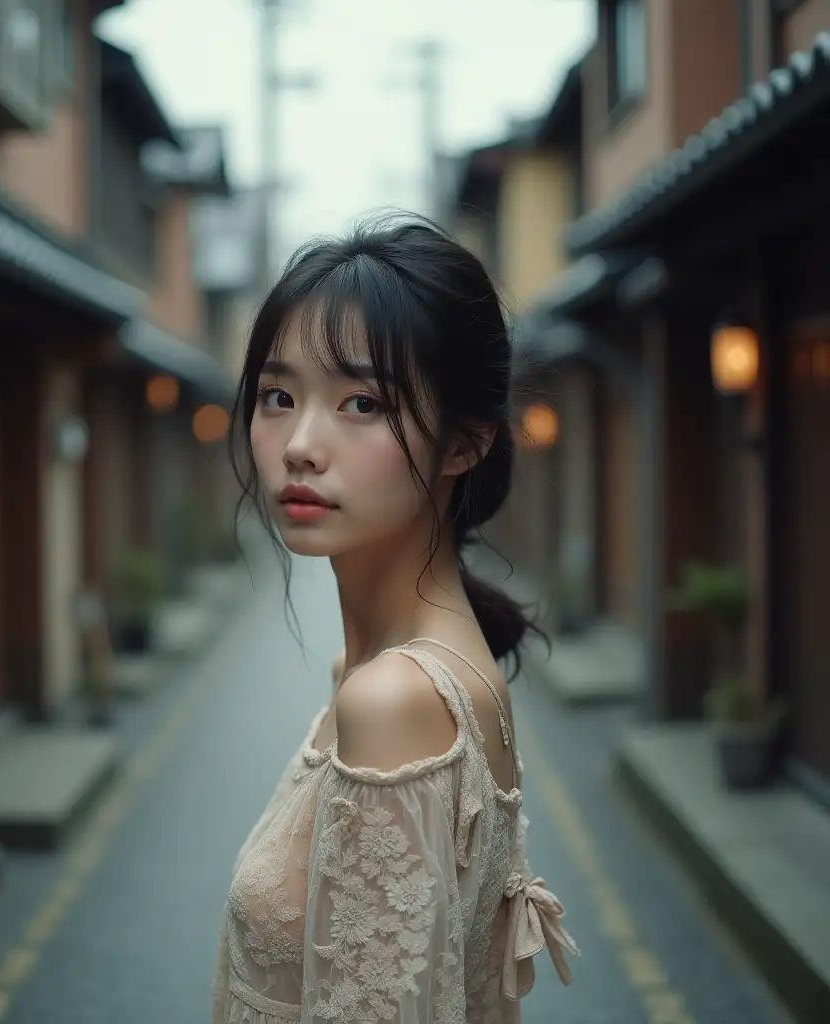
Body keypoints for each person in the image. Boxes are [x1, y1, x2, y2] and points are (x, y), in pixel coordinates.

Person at [212, 215, 578, 1023]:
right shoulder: (393, 671)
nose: (301, 444)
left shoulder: (396, 701)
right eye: (278, 396)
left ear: (463, 444)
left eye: (362, 403)